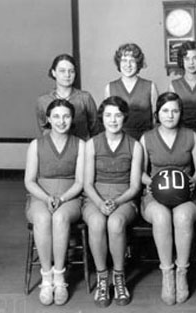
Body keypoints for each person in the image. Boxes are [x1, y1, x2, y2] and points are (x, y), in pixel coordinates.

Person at [140, 92, 196, 305]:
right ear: (158, 113)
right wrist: (151, 183)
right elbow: (139, 172)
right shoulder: (147, 137)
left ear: (180, 113)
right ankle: (167, 273)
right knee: (161, 216)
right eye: (165, 111)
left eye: (175, 110)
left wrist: (193, 180)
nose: (170, 115)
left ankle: (182, 272)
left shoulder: (191, 136)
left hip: (185, 195)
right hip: (155, 196)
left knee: (183, 217)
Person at [83, 96, 143, 307]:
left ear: (124, 117)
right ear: (102, 117)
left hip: (124, 198)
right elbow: (87, 183)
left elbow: (135, 186)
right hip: (95, 197)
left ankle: (118, 276)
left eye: (118, 115)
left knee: (115, 223)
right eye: (108, 115)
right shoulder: (91, 144)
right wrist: (99, 203)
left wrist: (117, 202)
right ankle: (102, 277)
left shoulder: (135, 146)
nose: (113, 120)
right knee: (98, 222)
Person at [24, 99, 85, 306]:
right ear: (48, 119)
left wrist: (62, 198)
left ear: (72, 119)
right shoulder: (36, 145)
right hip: (41, 196)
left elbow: (79, 182)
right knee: (41, 218)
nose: (61, 121)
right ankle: (46, 276)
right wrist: (46, 197)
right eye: (56, 116)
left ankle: (60, 277)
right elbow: (29, 181)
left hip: (69, 196)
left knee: (60, 217)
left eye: (66, 116)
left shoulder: (81, 144)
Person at [36, 53, 101, 140]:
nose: (67, 75)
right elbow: (44, 130)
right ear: (53, 72)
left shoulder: (85, 98)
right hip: (55, 150)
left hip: (82, 150)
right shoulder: (43, 101)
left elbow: (95, 129)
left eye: (71, 71)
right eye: (62, 71)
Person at [105, 43, 158, 140]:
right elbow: (107, 120)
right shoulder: (110, 87)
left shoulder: (150, 86)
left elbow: (157, 119)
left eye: (132, 61)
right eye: (124, 60)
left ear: (138, 63)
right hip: (119, 140)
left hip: (145, 139)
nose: (128, 65)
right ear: (119, 63)